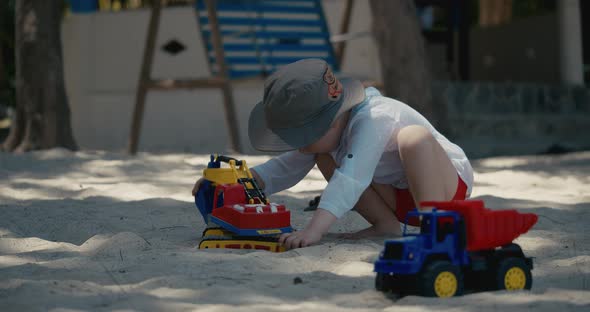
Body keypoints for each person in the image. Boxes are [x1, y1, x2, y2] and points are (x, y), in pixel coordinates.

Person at [192, 58, 473, 250]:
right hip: (400, 198)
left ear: (333, 120)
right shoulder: (329, 139)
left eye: (303, 136)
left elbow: (352, 177)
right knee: (323, 156)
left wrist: (315, 230)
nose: (298, 145)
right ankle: (386, 226)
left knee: (415, 139)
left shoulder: (375, 117)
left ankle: (433, 229)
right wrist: (236, 181)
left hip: (445, 190)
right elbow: (284, 167)